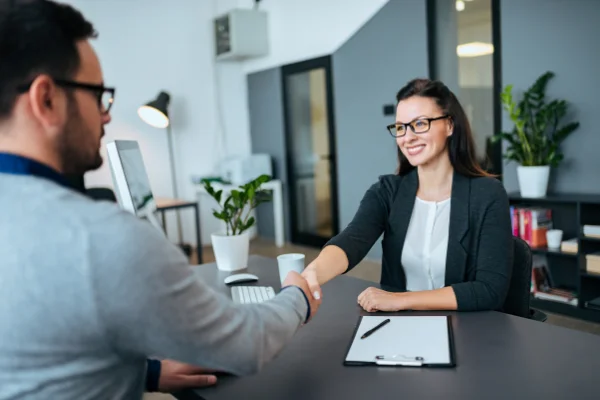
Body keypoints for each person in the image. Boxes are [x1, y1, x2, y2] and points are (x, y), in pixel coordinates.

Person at [0, 1, 321, 399]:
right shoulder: (98, 239)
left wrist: (148, 373)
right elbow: (248, 344)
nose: (106, 116)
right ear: (46, 99)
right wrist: (297, 298)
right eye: (99, 96)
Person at [302, 78, 513, 313]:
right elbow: (352, 241)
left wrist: (401, 299)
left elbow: (489, 290)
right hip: (399, 326)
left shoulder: (488, 195)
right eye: (401, 127)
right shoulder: (387, 191)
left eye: (420, 123)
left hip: (467, 328)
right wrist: (314, 272)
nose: (407, 137)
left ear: (450, 125)